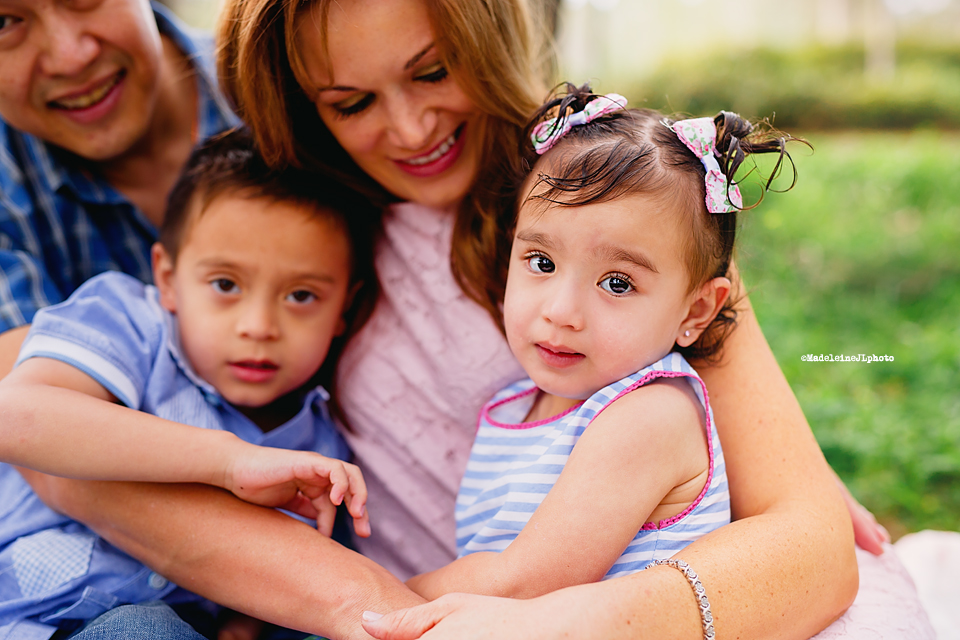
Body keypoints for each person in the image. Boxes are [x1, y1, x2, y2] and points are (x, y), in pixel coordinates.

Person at [5, 0, 924, 638]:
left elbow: (801, 540)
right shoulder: (304, 240)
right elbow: (55, 444)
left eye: (432, 71)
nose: (407, 129)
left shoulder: (602, 208)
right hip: (401, 599)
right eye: (353, 103)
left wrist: (753, 458)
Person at [402, 90, 811, 601]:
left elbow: (523, 581)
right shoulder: (511, 405)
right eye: (542, 262)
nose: (561, 311)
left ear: (696, 311)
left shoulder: (651, 414)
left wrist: (375, 599)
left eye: (617, 283)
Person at [0, 130, 375, 639]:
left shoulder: (321, 452)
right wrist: (227, 459)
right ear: (168, 278)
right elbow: (15, 413)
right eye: (226, 285)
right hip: (39, 616)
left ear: (343, 311)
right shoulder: (129, 322)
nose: (259, 325)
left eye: (302, 295)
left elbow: (286, 583)